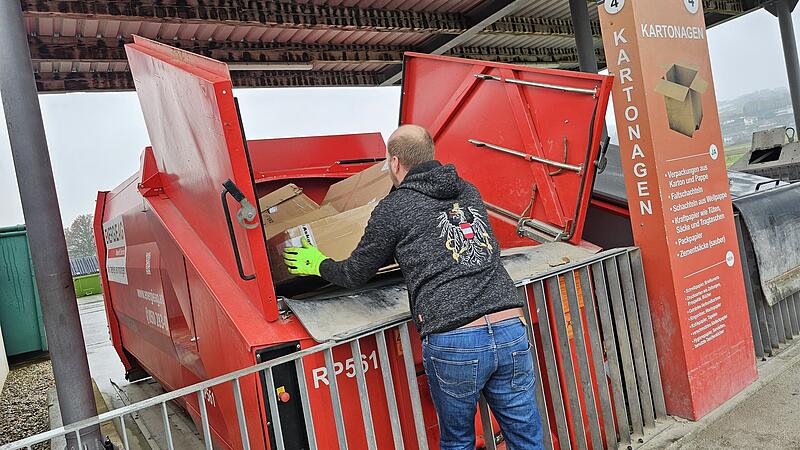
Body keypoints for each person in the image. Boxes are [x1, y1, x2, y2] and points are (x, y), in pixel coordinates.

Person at [283, 124, 544, 450]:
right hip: (509, 326)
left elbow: (355, 273)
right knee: (526, 437)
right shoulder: (468, 191)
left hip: (456, 338)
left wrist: (317, 263)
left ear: (394, 163)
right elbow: (484, 249)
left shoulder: (395, 208)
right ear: (430, 154)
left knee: (458, 441)